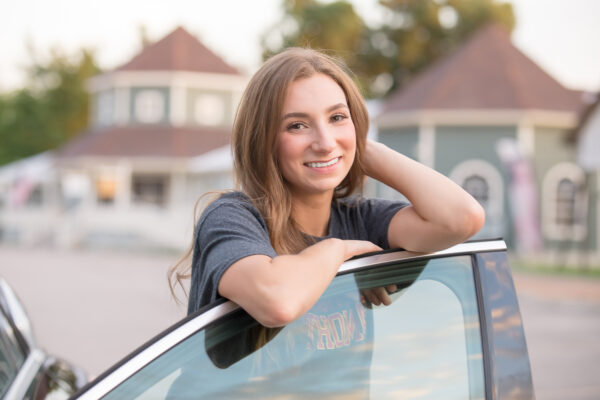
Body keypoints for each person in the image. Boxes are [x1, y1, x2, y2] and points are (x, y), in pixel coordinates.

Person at [169, 47, 485, 328]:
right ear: (262, 139)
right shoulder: (232, 217)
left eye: (337, 117)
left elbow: (463, 218)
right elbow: (277, 301)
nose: (323, 143)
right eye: (297, 125)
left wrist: (355, 147)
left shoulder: (361, 220)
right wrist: (340, 250)